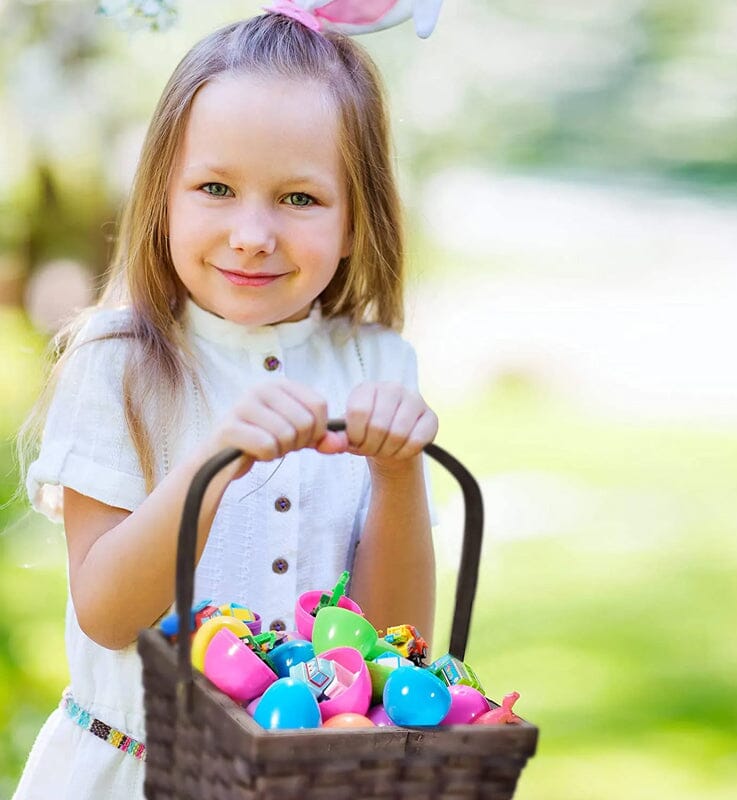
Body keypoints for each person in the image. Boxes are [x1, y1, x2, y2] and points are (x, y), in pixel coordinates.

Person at [14, 7, 440, 798]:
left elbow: (394, 645)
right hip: (135, 772)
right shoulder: (118, 361)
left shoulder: (378, 365)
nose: (251, 234)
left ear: (358, 219)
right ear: (164, 197)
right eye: (215, 188)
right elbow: (108, 614)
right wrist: (214, 462)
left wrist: (397, 473)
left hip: (307, 780)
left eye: (299, 198)